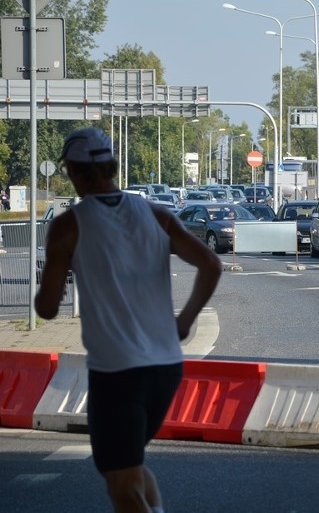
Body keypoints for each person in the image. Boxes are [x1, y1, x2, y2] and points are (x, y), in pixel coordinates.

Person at [35, 127, 222, 513]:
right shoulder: (156, 215)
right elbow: (210, 263)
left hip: (118, 372)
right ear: (112, 166)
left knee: (121, 486)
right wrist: (185, 320)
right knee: (130, 470)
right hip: (166, 367)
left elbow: (48, 308)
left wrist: (58, 267)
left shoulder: (68, 226)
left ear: (72, 170)